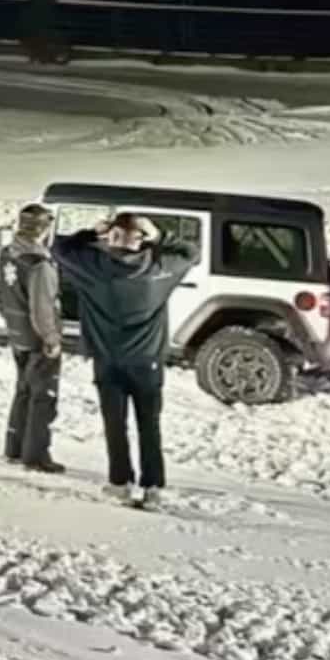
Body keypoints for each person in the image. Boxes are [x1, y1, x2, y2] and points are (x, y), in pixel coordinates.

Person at [53, 212, 198, 508]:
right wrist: (159, 235)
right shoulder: (158, 269)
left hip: (107, 359)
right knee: (149, 424)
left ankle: (120, 482)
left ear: (112, 236)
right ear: (140, 238)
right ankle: (153, 486)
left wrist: (92, 233)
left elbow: (59, 249)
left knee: (114, 423)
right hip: (147, 361)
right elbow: (191, 253)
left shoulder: (92, 267)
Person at [0, 203, 64, 472]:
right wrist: (51, 338)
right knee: (42, 396)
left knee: (22, 390)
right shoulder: (39, 264)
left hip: (17, 333)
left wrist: (13, 321)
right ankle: (35, 455)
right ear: (45, 229)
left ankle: (14, 446)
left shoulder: (8, 254)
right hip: (37, 338)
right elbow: (43, 307)